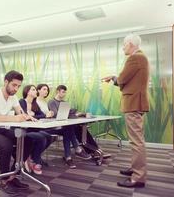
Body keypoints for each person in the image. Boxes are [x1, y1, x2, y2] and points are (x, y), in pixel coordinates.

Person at [102, 33, 149, 188]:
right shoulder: (140, 58)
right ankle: (136, 169)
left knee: (136, 142)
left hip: (133, 103)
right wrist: (115, 78)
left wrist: (115, 78)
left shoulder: (135, 58)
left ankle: (138, 177)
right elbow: (126, 79)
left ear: (130, 44)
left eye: (124, 44)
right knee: (136, 140)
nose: (123, 47)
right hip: (136, 103)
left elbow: (122, 79)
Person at [47, 85, 92, 168]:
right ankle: (77, 149)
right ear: (57, 91)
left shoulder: (64, 103)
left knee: (68, 129)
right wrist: (68, 113)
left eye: (65, 92)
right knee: (68, 129)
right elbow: (55, 114)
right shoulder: (51, 102)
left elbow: (68, 112)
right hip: (54, 127)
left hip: (63, 127)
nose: (64, 94)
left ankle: (68, 157)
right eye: (63, 92)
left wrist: (77, 113)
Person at [19, 85, 51, 174]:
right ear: (27, 92)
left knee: (48, 137)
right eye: (33, 89)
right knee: (41, 137)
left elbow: (41, 115)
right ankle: (35, 161)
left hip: (33, 129)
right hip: (23, 130)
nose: (36, 91)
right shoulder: (22, 102)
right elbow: (24, 116)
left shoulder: (34, 103)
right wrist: (34, 116)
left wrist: (35, 116)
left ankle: (32, 156)